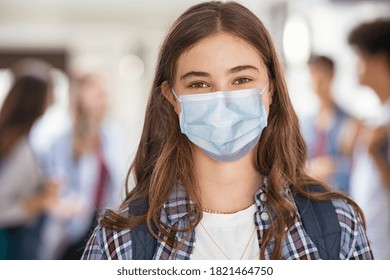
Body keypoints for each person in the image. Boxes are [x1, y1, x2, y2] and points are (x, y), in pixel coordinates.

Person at [82, 1, 372, 260]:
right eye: (199, 84)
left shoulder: (337, 225)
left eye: (241, 79)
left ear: (270, 89)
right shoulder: (120, 241)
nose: (223, 100)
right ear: (172, 98)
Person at [40, 72, 127, 259]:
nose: (102, 91)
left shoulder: (113, 134)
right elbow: (55, 187)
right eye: (93, 86)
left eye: (102, 86)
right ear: (79, 95)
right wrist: (67, 205)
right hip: (71, 231)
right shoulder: (62, 139)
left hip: (105, 226)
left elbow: (119, 183)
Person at [0, 59, 58, 259]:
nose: (54, 99)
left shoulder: (21, 140)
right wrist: (39, 202)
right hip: (12, 246)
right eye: (50, 92)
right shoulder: (17, 147)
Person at [348, 18, 390, 259]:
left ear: (379, 61)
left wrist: (374, 154)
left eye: (360, 58)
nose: (356, 67)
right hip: (370, 248)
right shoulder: (378, 117)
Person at [301, 55, 359, 194]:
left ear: (332, 75)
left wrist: (333, 167)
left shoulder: (350, 122)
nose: (317, 80)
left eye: (321, 73)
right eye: (313, 74)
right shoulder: (305, 122)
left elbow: (356, 167)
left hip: (340, 196)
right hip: (311, 196)